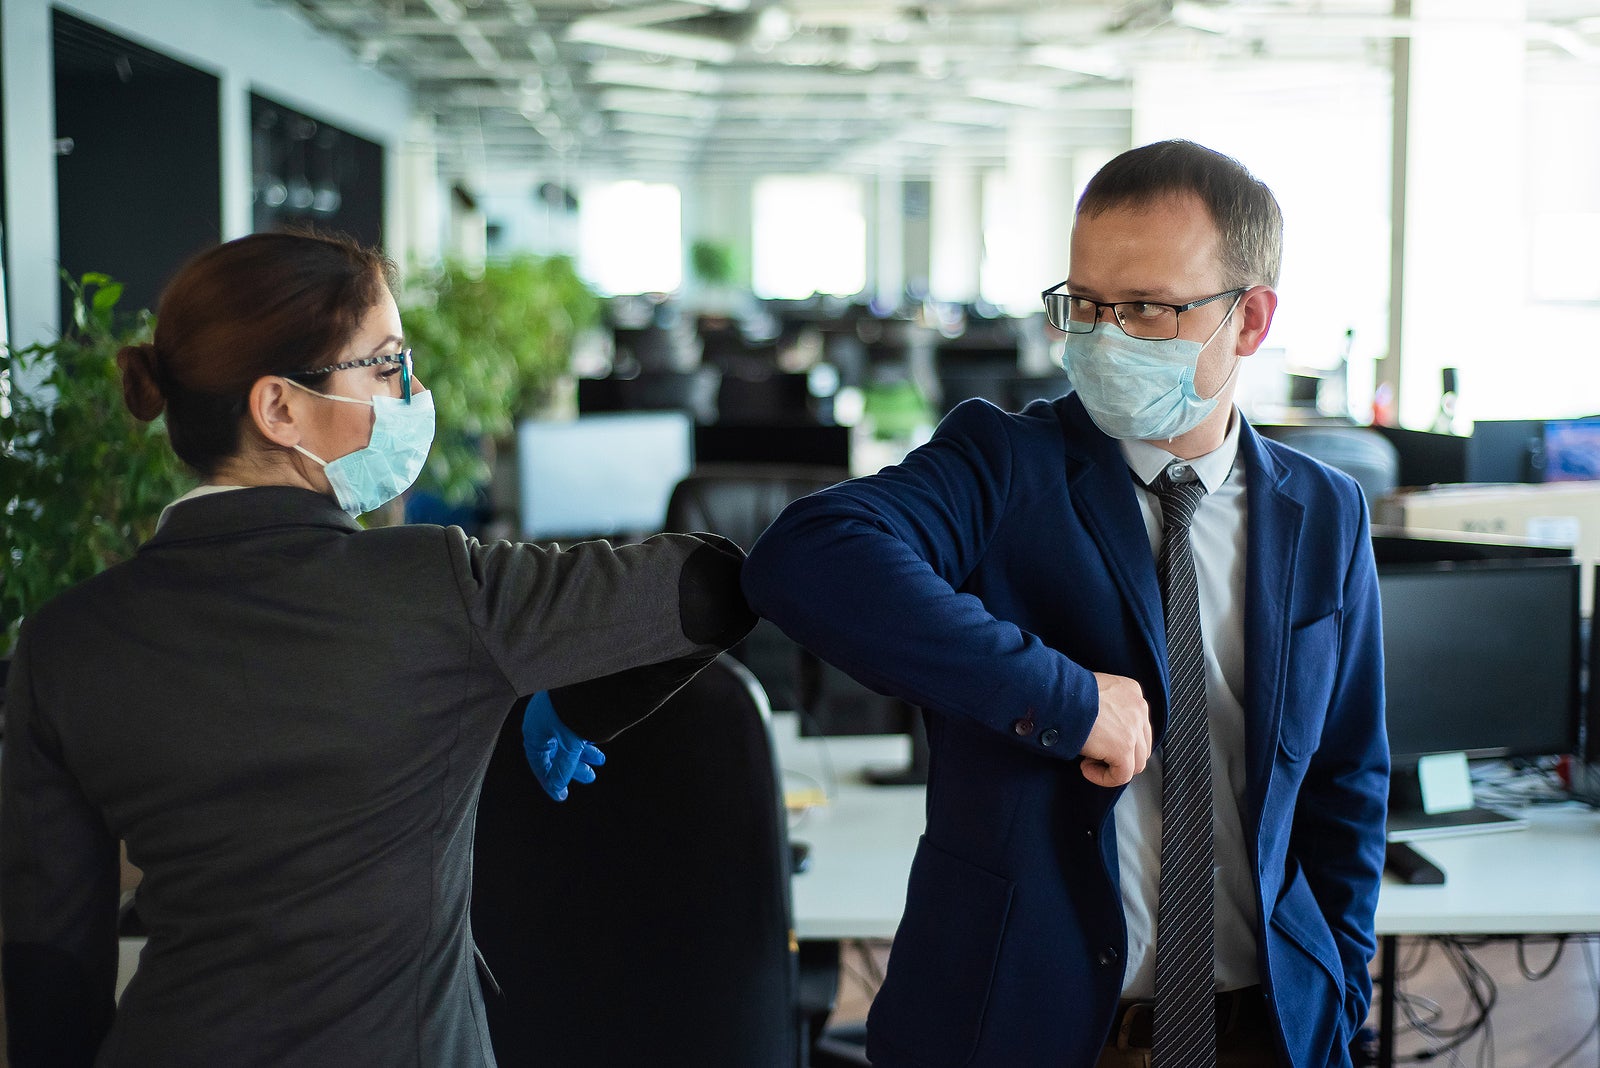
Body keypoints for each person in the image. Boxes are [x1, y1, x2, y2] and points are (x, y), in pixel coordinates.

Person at [0, 230, 755, 1066]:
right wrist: (578, 700)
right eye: (386, 365)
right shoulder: (439, 589)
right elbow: (715, 587)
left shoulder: (63, 644)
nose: (415, 392)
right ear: (279, 407)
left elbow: (49, 958)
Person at [743, 140, 1387, 1067]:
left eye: (1144, 309)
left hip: (1266, 1028)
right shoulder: (1004, 463)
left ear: (1249, 322)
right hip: (1034, 1026)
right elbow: (806, 558)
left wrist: (1341, 983)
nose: (1101, 336)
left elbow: (1346, 778)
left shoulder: (1324, 512)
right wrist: (1071, 702)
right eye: (1082, 304)